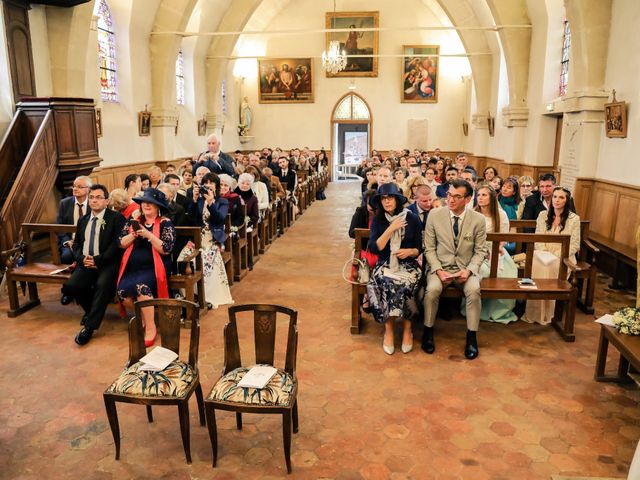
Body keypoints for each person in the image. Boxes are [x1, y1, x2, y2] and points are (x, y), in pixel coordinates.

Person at [423, 179, 487, 359]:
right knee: (432, 290)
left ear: (467, 199)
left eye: (457, 197)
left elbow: (480, 250)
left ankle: (471, 336)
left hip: (466, 268)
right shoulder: (435, 215)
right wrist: (438, 270)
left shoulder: (478, 220)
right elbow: (429, 248)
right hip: (441, 267)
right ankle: (428, 332)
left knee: (474, 290)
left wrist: (468, 271)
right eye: (449, 195)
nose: (450, 200)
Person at [62, 184, 126, 345]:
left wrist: (98, 260)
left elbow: (117, 245)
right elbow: (76, 244)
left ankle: (89, 327)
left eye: (98, 197)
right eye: (91, 197)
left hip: (107, 263)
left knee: (102, 285)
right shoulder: (83, 220)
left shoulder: (115, 218)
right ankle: (92, 312)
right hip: (86, 262)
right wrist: (81, 258)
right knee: (71, 286)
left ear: (107, 201)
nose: (94, 200)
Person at [366, 183, 423, 355]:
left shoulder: (412, 218)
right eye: (383, 198)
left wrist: (410, 251)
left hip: (408, 264)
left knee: (407, 282)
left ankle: (407, 328)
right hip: (385, 263)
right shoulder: (378, 219)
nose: (386, 201)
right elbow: (375, 248)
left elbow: (419, 248)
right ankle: (389, 328)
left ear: (397, 199)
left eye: (390, 197)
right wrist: (391, 229)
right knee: (386, 281)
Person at [117, 188, 176, 346]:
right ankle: (144, 317)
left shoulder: (165, 223)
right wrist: (134, 234)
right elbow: (122, 243)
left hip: (155, 266)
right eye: (144, 202)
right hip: (133, 267)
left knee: (141, 288)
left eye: (151, 203)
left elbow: (166, 249)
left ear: (158, 207)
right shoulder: (133, 220)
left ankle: (151, 327)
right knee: (123, 294)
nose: (146, 205)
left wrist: (149, 235)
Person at [522, 186, 580, 325]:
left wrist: (555, 255)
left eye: (561, 197)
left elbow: (574, 244)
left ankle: (548, 313)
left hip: (563, 256)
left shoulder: (574, 219)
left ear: (567, 200)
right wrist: (544, 253)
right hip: (542, 253)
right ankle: (535, 312)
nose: (557, 200)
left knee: (550, 267)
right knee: (539, 265)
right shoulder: (543, 215)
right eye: (555, 197)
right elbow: (538, 238)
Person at [470, 184, 518, 323]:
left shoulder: (500, 214)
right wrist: (482, 253)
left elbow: (503, 236)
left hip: (496, 249)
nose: (480, 198)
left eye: (484, 195)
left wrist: (496, 250)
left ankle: (498, 312)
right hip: (477, 251)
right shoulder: (473, 213)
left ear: (491, 197)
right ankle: (479, 310)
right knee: (482, 272)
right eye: (478, 195)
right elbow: (470, 237)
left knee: (508, 273)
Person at [189, 172, 233, 309]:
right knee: (187, 260)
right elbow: (192, 219)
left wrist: (211, 203)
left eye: (211, 184)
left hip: (213, 239)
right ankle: (194, 294)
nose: (208, 186)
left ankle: (208, 295)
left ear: (216, 186)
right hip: (197, 237)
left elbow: (219, 218)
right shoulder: (199, 200)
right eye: (205, 184)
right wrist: (194, 200)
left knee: (208, 259)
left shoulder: (223, 201)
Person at [56, 175, 92, 265]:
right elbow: (59, 226)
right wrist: (67, 241)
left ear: (88, 189)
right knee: (66, 257)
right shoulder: (64, 203)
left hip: (89, 242)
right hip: (70, 242)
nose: (75, 189)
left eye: (80, 187)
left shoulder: (93, 203)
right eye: (74, 186)